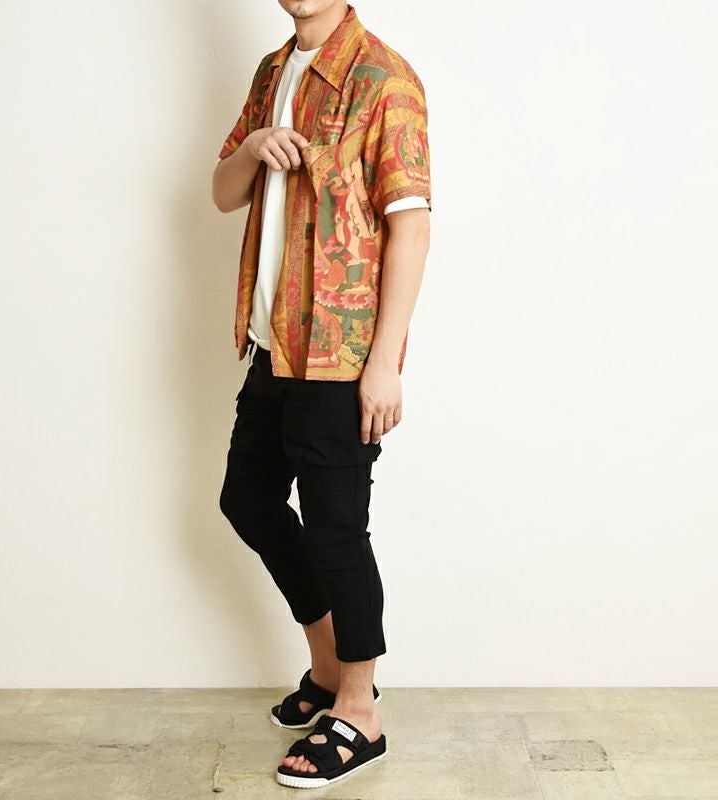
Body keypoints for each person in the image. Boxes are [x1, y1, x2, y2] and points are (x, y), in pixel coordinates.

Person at [212, 0, 431, 789]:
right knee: (248, 500)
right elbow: (224, 192)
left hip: (341, 355)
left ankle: (360, 712)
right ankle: (329, 669)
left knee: (337, 530)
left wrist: (385, 363)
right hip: (275, 344)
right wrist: (253, 148)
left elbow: (412, 227)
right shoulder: (274, 71)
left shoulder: (384, 79)